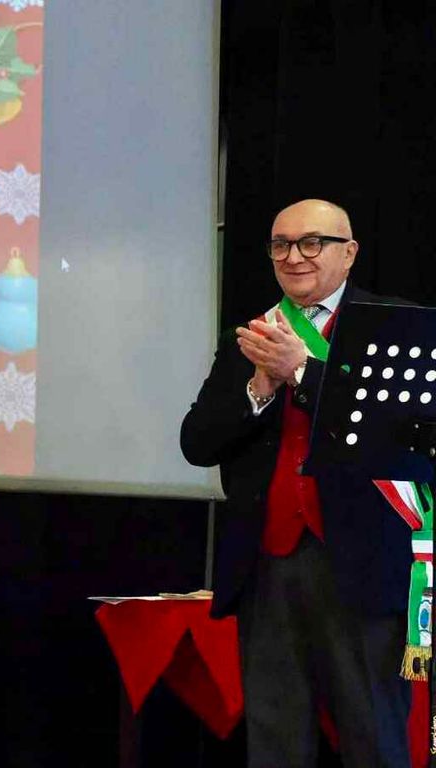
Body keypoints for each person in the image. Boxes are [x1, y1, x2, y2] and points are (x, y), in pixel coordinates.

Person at [180, 199, 413, 767]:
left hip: (362, 564)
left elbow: (402, 432)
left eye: (312, 242)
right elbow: (196, 443)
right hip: (268, 565)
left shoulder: (394, 323)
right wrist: (258, 389)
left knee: (373, 735)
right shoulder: (252, 334)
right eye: (280, 245)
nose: (294, 256)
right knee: (275, 740)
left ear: (349, 253)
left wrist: (304, 372)